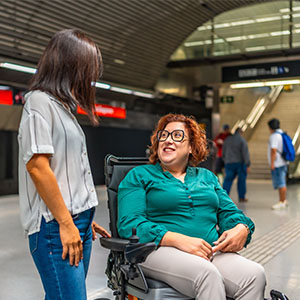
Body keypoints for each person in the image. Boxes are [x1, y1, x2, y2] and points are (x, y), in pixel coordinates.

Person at [118, 114, 266, 300]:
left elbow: (229, 212)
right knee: (207, 275)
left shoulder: (207, 177)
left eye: (177, 135)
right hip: (157, 250)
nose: (168, 140)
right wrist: (176, 239)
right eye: (163, 135)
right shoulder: (139, 175)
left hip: (209, 250)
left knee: (255, 275)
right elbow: (129, 222)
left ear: (191, 147)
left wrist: (242, 228)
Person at [18, 29, 111, 300]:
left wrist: (82, 214)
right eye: (89, 68)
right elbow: (38, 167)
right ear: (71, 64)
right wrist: (67, 222)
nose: (91, 76)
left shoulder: (61, 106)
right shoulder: (38, 103)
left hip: (74, 221)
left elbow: (66, 170)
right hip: (54, 227)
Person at [222, 128, 250, 202]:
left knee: (227, 180)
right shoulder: (242, 140)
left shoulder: (227, 139)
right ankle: (241, 197)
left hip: (229, 163)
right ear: (241, 132)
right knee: (241, 181)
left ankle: (224, 197)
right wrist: (247, 164)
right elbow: (245, 153)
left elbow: (223, 151)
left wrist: (225, 160)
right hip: (239, 163)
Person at [267, 118, 288, 210]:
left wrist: (272, 163)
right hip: (283, 162)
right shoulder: (282, 134)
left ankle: (282, 202)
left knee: (281, 183)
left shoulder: (274, 136)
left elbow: (273, 150)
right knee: (282, 182)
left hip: (278, 163)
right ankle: (283, 201)